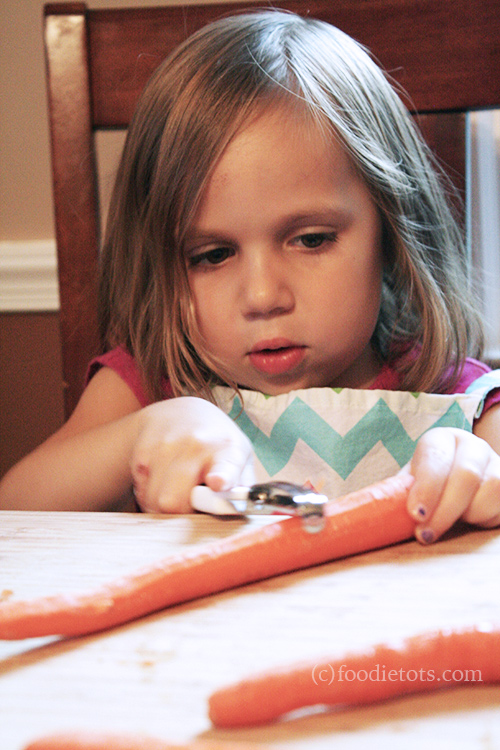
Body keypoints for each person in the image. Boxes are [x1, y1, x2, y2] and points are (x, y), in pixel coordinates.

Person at [1, 10, 499, 544]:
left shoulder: (448, 394)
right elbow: (17, 509)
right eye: (212, 255)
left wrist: (478, 467)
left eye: (311, 240)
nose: (262, 297)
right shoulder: (152, 385)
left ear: (391, 231)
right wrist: (136, 440)